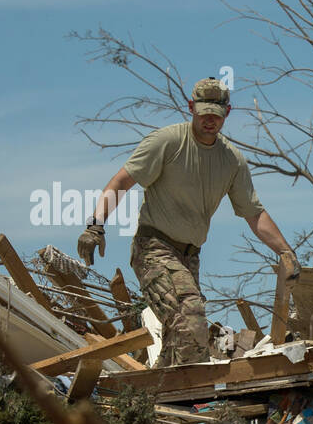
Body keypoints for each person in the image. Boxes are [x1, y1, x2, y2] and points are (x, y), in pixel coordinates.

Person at [76, 77, 301, 366]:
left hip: (189, 257)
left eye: (216, 115)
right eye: (204, 112)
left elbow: (254, 214)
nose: (210, 120)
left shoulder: (232, 161)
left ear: (227, 113)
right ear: (191, 107)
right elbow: (121, 181)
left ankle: (157, 400)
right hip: (154, 248)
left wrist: (286, 251)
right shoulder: (167, 142)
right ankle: (193, 394)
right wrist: (95, 225)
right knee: (191, 318)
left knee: (180, 334)